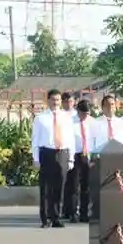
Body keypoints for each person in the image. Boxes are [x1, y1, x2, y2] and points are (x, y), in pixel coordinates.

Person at [31, 89, 73, 229]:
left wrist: (71, 158)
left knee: (60, 187)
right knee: (46, 188)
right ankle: (45, 218)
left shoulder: (67, 117)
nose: (56, 103)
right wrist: (35, 158)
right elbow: (35, 140)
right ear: (48, 100)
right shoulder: (40, 118)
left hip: (62, 153)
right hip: (46, 153)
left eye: (58, 100)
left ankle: (56, 217)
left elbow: (71, 139)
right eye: (53, 100)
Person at [63, 99, 94, 223]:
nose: (85, 116)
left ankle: (84, 213)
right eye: (83, 114)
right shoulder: (70, 122)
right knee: (74, 186)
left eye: (87, 114)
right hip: (75, 155)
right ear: (78, 111)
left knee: (86, 187)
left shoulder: (92, 122)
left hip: (87, 155)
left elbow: (94, 140)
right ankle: (73, 213)